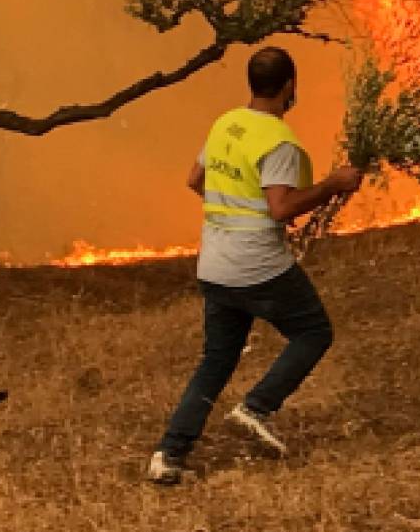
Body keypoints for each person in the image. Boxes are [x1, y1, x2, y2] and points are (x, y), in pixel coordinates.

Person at [148, 47, 362, 485]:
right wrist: (333, 184)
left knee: (216, 361)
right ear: (289, 86)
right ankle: (256, 407)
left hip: (214, 263)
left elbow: (195, 180)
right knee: (314, 331)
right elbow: (281, 208)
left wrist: (230, 211)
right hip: (257, 263)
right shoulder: (278, 141)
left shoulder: (227, 123)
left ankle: (169, 454)